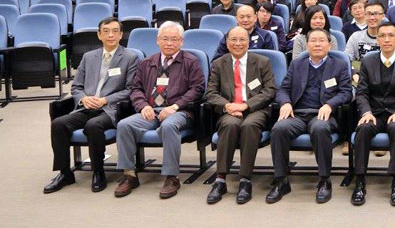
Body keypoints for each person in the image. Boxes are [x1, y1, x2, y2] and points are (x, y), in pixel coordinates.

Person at [46, 18, 138, 194]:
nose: (110, 35)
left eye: (114, 31)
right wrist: (83, 99)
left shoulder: (129, 58)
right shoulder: (89, 57)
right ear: (99, 35)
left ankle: (98, 171)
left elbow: (131, 89)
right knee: (58, 123)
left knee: (93, 126)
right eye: (106, 31)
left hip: (111, 109)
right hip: (86, 107)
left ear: (120, 35)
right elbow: (76, 87)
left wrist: (105, 100)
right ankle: (65, 173)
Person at [113, 21, 205, 199]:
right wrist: (143, 106)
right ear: (157, 40)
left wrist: (175, 106)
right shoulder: (148, 62)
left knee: (169, 126)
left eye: (174, 39)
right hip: (151, 110)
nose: (169, 43)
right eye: (165, 39)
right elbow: (135, 88)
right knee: (125, 125)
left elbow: (198, 89)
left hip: (180, 111)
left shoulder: (191, 62)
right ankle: (129, 174)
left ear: (181, 42)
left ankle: (172, 176)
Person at [267, 29, 353, 204]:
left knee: (320, 128)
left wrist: (330, 104)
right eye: (313, 41)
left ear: (329, 45)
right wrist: (285, 103)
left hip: (324, 114)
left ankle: (324, 180)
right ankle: (281, 180)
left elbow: (346, 92)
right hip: (298, 114)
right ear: (307, 45)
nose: (317, 44)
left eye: (322, 41)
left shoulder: (339, 65)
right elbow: (283, 89)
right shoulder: (297, 64)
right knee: (278, 128)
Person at [204, 26, 278, 205]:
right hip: (230, 110)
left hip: (255, 110)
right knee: (229, 125)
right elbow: (211, 93)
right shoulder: (218, 63)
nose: (238, 43)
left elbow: (270, 91)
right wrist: (227, 105)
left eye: (242, 39)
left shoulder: (262, 62)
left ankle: (245, 180)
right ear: (227, 43)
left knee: (249, 126)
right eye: (233, 40)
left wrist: (246, 105)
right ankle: (220, 179)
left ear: (248, 42)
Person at [351, 21, 395, 207]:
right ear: (377, 39)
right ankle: (360, 181)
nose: (387, 39)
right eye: (382, 36)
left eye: (391, 35)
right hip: (374, 113)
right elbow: (362, 92)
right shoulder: (368, 61)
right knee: (363, 129)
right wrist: (366, 112)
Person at [346, 0, 385, 66]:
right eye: (369, 14)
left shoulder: (391, 37)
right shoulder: (355, 37)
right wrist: (360, 71)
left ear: (383, 16)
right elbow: (348, 60)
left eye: (376, 14)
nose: (372, 17)